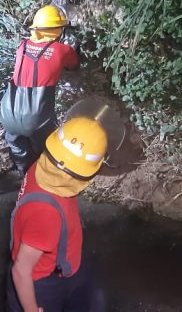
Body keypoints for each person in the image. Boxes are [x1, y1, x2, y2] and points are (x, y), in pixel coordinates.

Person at [6, 116, 107, 312]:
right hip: (41, 283)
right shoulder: (46, 214)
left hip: (68, 261)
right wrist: (31, 310)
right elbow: (20, 271)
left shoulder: (46, 164)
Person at [0, 4, 79, 176]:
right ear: (58, 30)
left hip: (8, 112)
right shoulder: (61, 50)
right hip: (36, 117)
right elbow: (73, 65)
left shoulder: (22, 46)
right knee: (46, 145)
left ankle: (22, 171)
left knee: (16, 144)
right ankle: (42, 174)